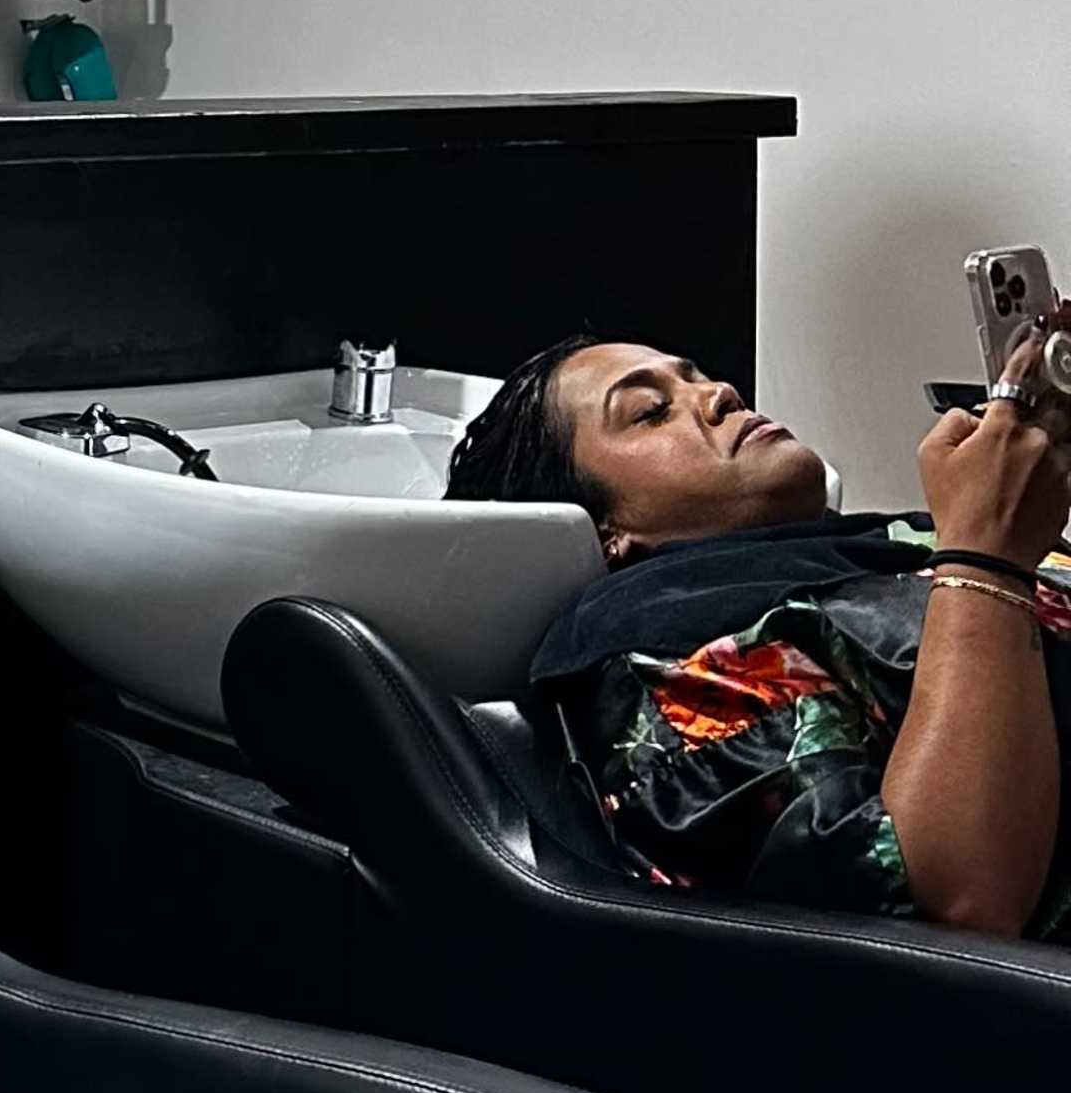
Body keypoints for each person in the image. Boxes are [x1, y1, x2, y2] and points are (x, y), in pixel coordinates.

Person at [449, 334, 1071, 937]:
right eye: (650, 412)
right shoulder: (676, 650)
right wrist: (985, 559)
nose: (719, 393)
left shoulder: (880, 546)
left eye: (695, 377)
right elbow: (958, 906)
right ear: (603, 527)